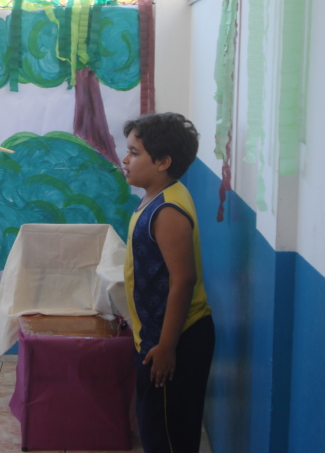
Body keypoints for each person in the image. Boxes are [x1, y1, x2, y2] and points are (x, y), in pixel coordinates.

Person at [122, 113, 214, 453]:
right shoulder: (156, 196)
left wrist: (166, 347)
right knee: (155, 429)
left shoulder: (168, 210)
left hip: (175, 339)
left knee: (167, 437)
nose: (125, 159)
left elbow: (184, 280)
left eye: (134, 153)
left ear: (163, 162)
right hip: (158, 336)